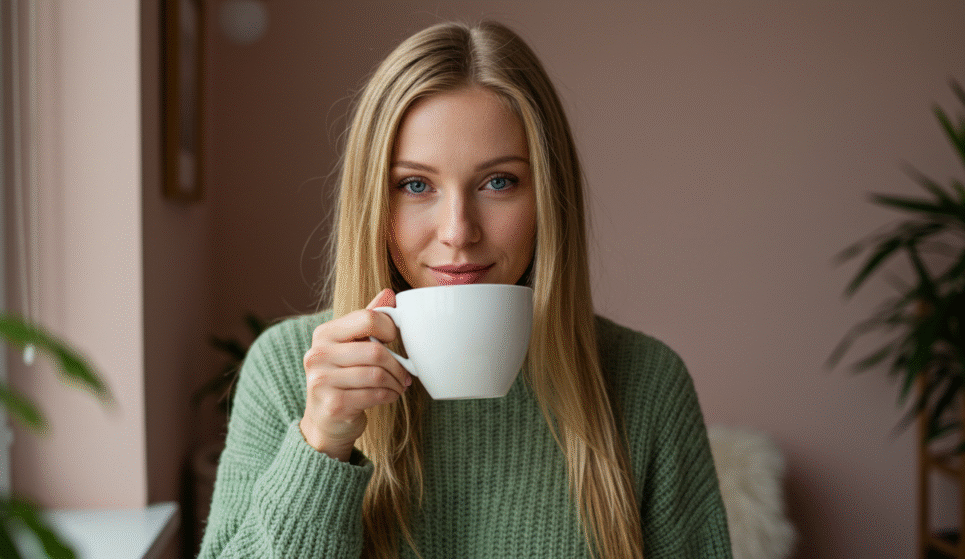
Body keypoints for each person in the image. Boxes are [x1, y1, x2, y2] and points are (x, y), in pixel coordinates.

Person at [198, 21, 731, 559]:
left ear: (548, 196)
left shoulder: (646, 384)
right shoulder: (289, 373)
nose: (457, 230)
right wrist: (322, 443)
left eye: (498, 182)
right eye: (414, 185)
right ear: (373, 203)